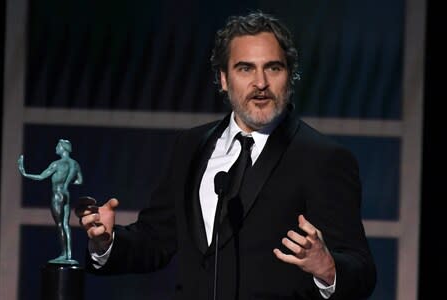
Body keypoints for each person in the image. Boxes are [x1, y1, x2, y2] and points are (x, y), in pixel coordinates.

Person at [76, 11, 376, 299]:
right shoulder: (191, 146)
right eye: (245, 68)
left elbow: (362, 271)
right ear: (223, 79)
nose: (260, 83)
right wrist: (107, 242)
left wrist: (328, 268)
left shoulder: (323, 158)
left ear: (290, 76)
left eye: (273, 67)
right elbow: (157, 239)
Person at [18, 139, 83, 264]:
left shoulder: (57, 164)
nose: (55, 149)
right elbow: (79, 181)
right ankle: (68, 254)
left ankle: (64, 254)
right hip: (66, 194)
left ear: (63, 148)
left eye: (57, 146)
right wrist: (67, 183)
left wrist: (25, 173)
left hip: (57, 194)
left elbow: (41, 177)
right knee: (66, 225)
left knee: (60, 225)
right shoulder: (75, 164)